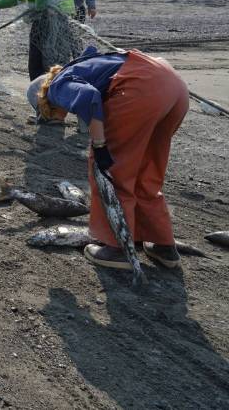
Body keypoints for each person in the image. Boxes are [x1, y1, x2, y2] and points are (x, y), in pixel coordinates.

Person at [27, 46, 189, 271]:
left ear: (43, 102)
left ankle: (116, 248)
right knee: (146, 169)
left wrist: (101, 146)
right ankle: (163, 245)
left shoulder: (56, 87)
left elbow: (89, 97)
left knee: (113, 171)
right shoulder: (79, 67)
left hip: (139, 89)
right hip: (174, 86)